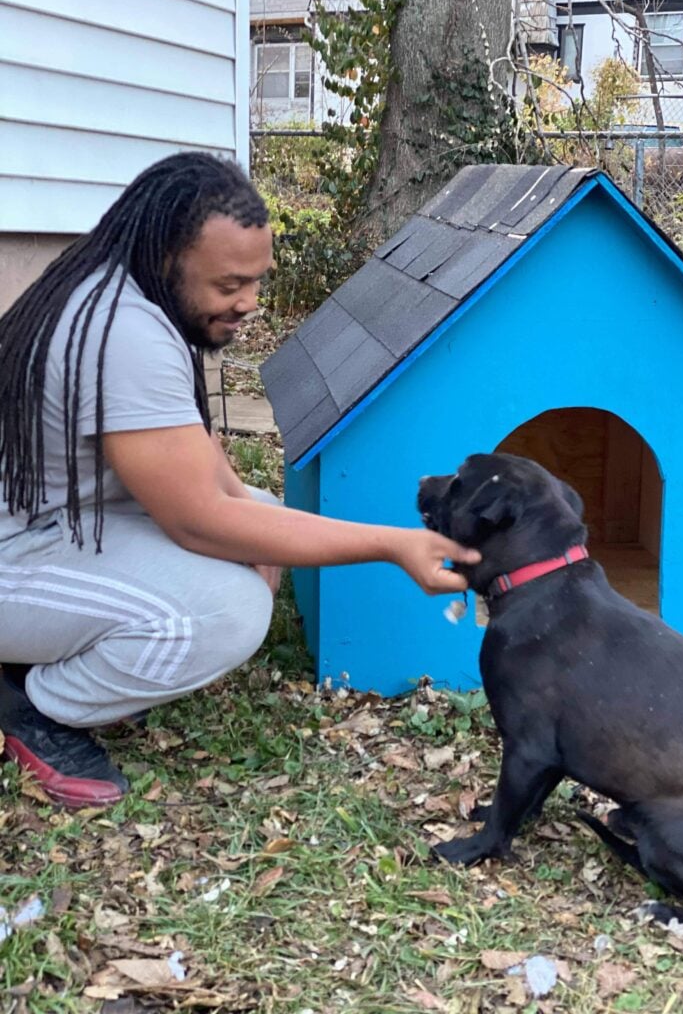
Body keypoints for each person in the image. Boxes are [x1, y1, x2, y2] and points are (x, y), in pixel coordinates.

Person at [0, 152, 480, 810]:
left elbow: (209, 474)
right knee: (226, 612)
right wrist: (393, 545)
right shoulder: (125, 334)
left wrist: (257, 527)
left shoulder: (125, 284)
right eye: (230, 285)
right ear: (170, 255)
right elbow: (197, 519)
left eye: (257, 280)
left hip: (50, 521)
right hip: (14, 554)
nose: (249, 303)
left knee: (256, 517)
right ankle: (31, 707)